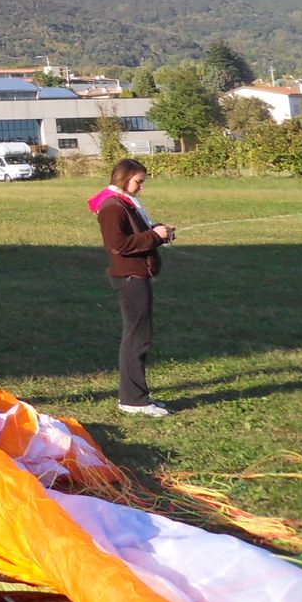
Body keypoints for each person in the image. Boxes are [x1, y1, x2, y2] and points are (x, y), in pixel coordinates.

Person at [90, 157, 177, 417]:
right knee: (137, 339)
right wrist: (153, 236)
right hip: (130, 278)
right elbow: (119, 245)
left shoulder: (125, 203)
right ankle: (133, 400)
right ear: (124, 178)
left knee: (140, 336)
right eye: (138, 181)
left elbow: (135, 235)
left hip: (137, 276)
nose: (141, 186)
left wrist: (158, 233)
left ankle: (136, 396)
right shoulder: (112, 207)